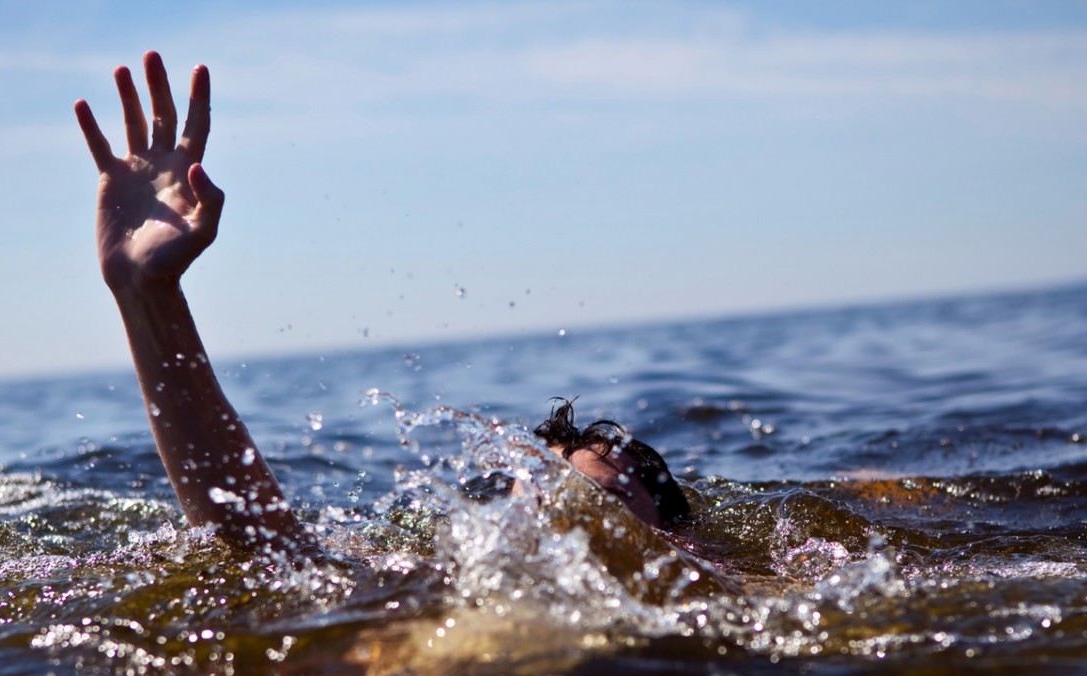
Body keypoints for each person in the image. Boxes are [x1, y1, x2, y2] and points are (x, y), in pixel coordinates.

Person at [75, 51, 688, 557]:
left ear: (680, 544)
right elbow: (263, 548)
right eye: (547, 497)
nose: (564, 516)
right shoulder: (435, 588)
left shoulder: (717, 604)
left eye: (603, 500)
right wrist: (147, 296)